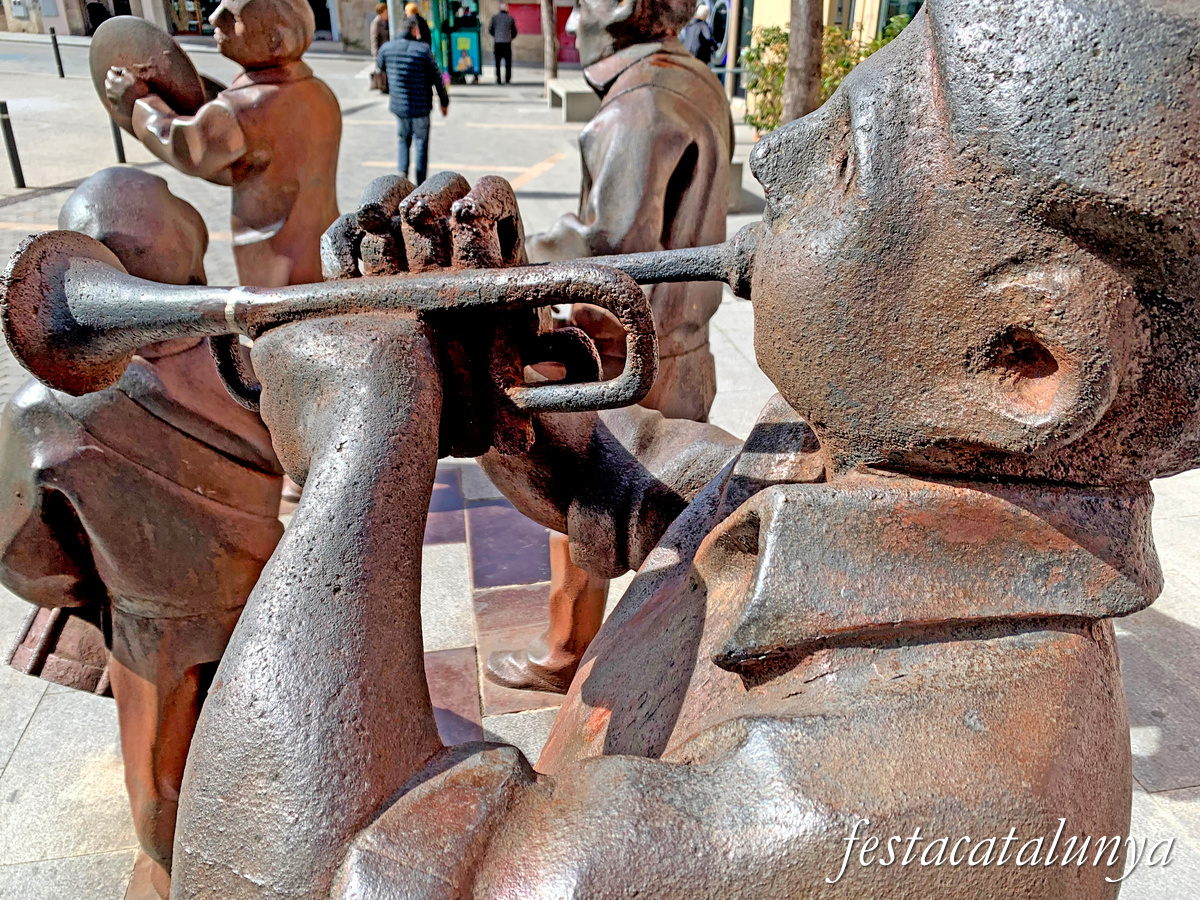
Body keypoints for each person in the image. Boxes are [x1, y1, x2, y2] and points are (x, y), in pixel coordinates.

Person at [173, 0, 1200, 895]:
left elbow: (324, 872)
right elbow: (674, 511)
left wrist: (354, 448)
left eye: (848, 155)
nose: (775, 156)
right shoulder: (894, 449)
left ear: (1019, 358)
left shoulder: (907, 810)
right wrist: (518, 404)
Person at [0, 168, 285, 900]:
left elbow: (29, 561)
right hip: (268, 585)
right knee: (268, 730)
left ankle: (173, 874)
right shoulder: (253, 355)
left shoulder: (44, 411)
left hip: (151, 626)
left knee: (161, 784)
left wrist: (105, 579)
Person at [487, 0, 734, 693]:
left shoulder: (641, 104)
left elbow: (610, 250)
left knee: (583, 503)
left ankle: (568, 651)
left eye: (581, 4)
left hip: (626, 355)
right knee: (668, 509)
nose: (570, 23)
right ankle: (672, 651)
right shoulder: (694, 81)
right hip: (684, 340)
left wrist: (514, 258)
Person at [103, 0, 341, 288]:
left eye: (232, 17)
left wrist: (140, 104)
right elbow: (253, 166)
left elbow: (188, 148)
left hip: (271, 255)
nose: (214, 18)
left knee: (276, 327)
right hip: (320, 242)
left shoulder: (243, 108)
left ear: (274, 39)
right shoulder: (319, 91)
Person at [378, 13, 450, 185]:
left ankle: (402, 176)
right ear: (414, 30)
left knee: (403, 140)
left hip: (399, 106)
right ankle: (420, 183)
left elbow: (380, 66)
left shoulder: (387, 49)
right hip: (421, 107)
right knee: (420, 144)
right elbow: (437, 78)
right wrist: (444, 102)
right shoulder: (423, 50)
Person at [488, 1, 517, 84]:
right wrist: (510, 37)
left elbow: (490, 30)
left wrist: (496, 36)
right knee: (508, 63)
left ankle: (498, 79)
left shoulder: (495, 18)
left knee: (497, 63)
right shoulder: (510, 18)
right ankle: (507, 79)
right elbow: (514, 32)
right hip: (507, 43)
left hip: (497, 43)